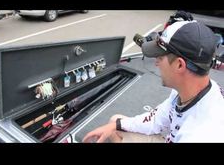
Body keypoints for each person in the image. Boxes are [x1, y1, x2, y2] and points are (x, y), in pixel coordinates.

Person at [83, 16, 224, 143]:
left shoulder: (203, 134)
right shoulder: (189, 90)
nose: (156, 63)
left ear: (179, 65)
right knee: (115, 122)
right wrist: (116, 125)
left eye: (160, 57)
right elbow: (156, 120)